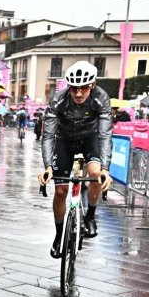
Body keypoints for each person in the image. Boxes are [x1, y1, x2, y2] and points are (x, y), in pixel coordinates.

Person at [38, 61, 113, 256]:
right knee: (61, 190)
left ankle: (90, 216)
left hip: (90, 138)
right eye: (74, 88)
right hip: (64, 139)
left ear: (93, 85)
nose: (78, 93)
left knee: (95, 174)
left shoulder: (101, 98)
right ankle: (59, 235)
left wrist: (105, 168)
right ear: (69, 87)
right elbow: (48, 136)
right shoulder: (58, 100)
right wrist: (48, 166)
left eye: (84, 88)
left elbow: (105, 135)